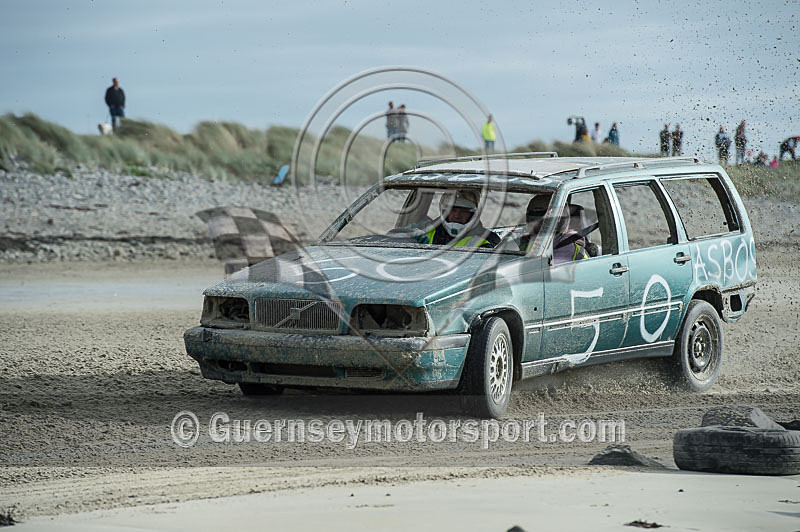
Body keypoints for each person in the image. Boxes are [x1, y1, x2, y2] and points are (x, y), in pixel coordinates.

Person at [416, 190, 500, 248]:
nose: (457, 215)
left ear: (473, 214)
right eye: (452, 210)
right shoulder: (426, 231)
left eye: (464, 211)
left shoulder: (486, 241)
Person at [520, 195, 589, 263]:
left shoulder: (568, 248)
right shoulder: (527, 242)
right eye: (532, 220)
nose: (535, 225)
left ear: (559, 221)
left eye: (542, 222)